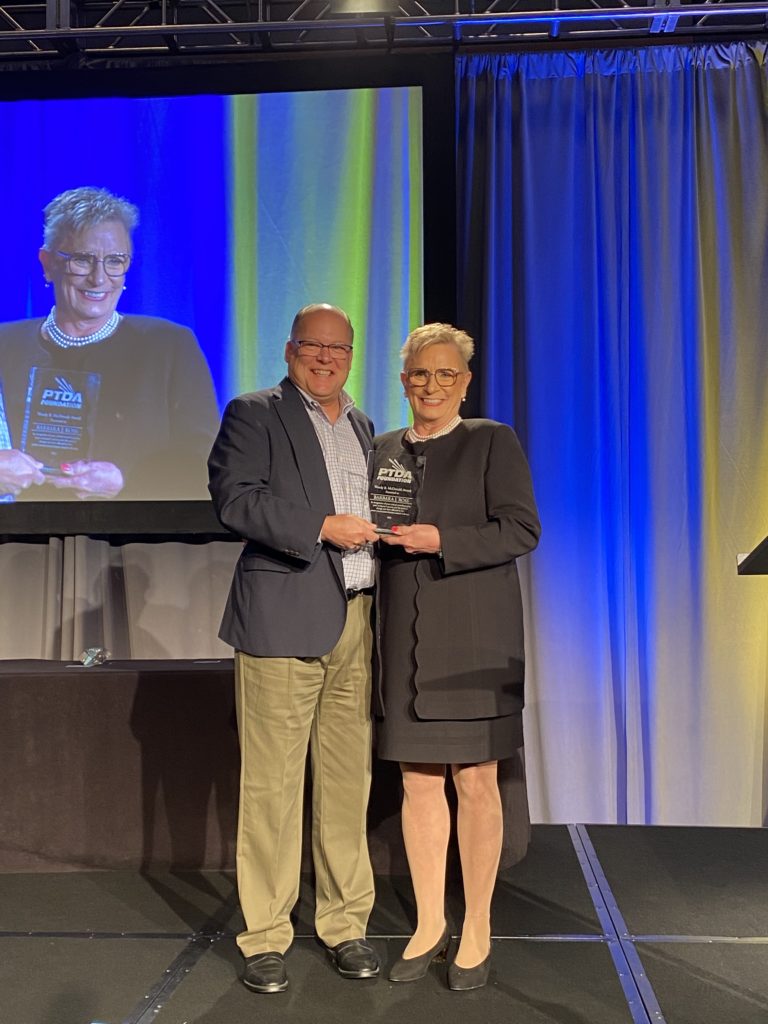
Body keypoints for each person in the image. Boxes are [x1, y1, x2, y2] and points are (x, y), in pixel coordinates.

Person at [207, 302, 381, 994]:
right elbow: (233, 498)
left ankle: (345, 924)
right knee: (274, 787)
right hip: (282, 621)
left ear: (351, 354)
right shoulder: (255, 413)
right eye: (313, 345)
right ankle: (266, 937)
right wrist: (321, 526)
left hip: (358, 620)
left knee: (346, 784)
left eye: (338, 348)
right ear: (289, 350)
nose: (325, 357)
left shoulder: (364, 425)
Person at [374, 323, 541, 991]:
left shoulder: (491, 440)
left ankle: (477, 924)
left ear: (465, 382)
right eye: (421, 374)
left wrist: (444, 538)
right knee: (417, 783)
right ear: (404, 380)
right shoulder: (382, 448)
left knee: (475, 783)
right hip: (402, 641)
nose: (432, 385)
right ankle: (428, 923)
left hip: (473, 637)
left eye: (446, 375)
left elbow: (522, 528)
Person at [0, 186, 218, 500]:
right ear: (48, 263)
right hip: (19, 542)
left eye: (115, 261)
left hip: (130, 541)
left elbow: (205, 461)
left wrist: (126, 482)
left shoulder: (170, 346)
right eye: (83, 260)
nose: (99, 279)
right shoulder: (5, 346)